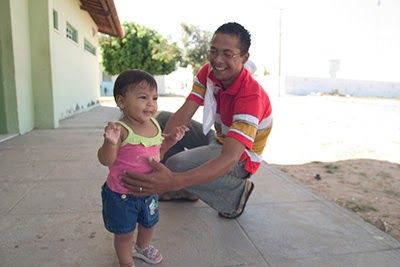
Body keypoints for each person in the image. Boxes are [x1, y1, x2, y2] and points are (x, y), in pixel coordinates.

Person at [121, 22, 273, 219]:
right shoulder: (209, 73)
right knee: (164, 121)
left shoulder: (251, 96)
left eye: (228, 54)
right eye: (213, 51)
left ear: (244, 58)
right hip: (219, 138)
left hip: (242, 157)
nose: (218, 60)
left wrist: (174, 180)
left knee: (177, 165)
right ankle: (188, 189)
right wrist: (157, 153)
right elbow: (185, 112)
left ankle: (234, 195)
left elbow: (230, 157)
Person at [98, 69, 188, 267]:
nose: (151, 103)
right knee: (124, 234)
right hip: (121, 195)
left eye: (154, 98)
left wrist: (171, 141)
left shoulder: (154, 124)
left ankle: (142, 247)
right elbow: (105, 160)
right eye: (143, 97)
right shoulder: (119, 129)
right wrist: (110, 143)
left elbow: (158, 155)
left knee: (149, 223)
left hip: (148, 191)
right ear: (122, 102)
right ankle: (126, 262)